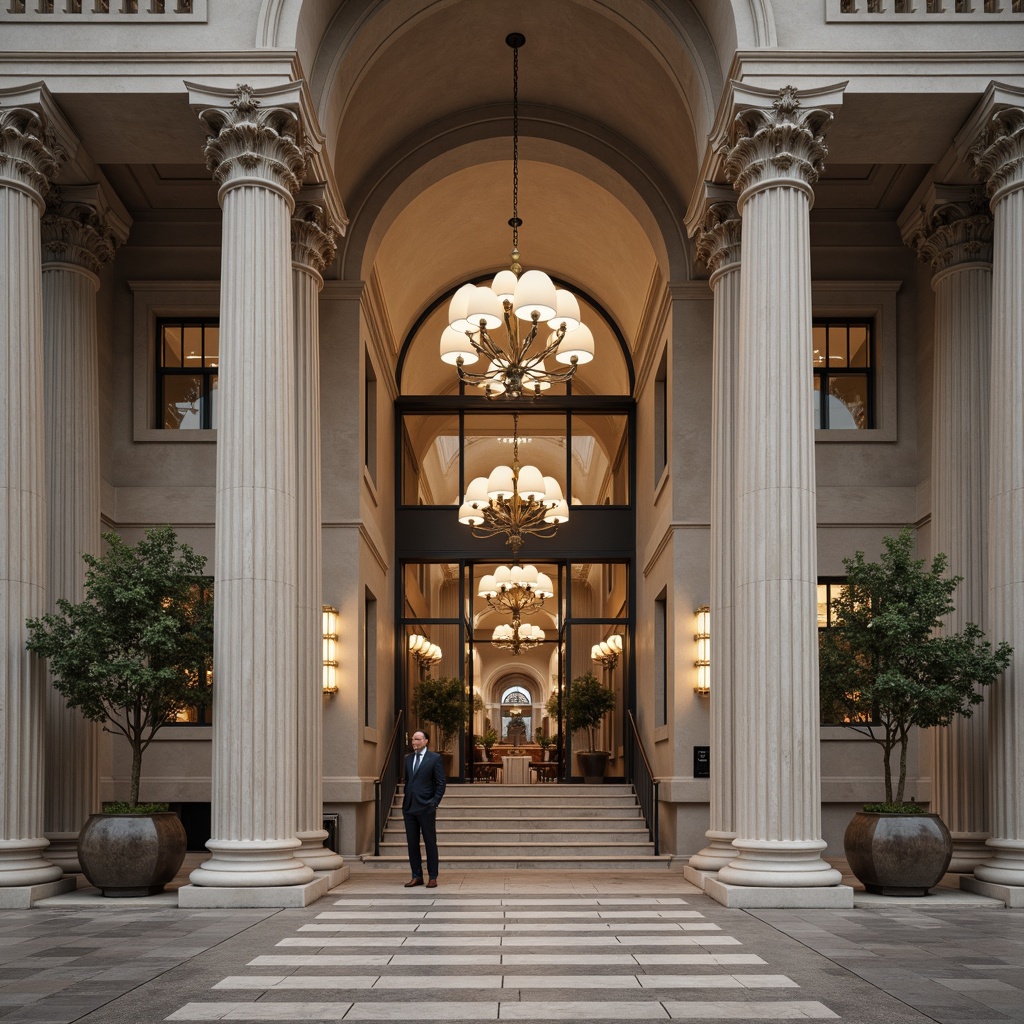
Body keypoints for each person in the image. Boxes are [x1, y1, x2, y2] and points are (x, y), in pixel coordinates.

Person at [402, 730, 446, 887]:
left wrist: (434, 802)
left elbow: (441, 782)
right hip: (409, 807)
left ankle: (432, 876)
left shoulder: (434, 758)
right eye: (413, 739)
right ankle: (416, 875)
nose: (414, 742)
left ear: (426, 741)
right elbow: (408, 782)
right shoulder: (408, 759)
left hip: (426, 806)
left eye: (418, 739)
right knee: (412, 843)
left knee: (429, 842)